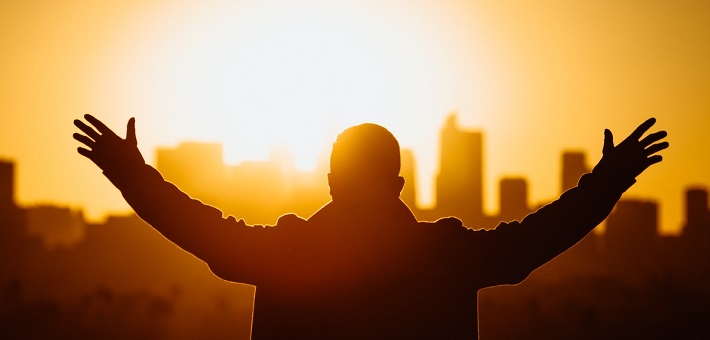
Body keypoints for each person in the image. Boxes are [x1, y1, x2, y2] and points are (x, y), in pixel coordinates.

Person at [73, 115, 668, 339]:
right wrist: (608, 182)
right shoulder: (446, 255)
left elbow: (197, 226)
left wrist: (131, 175)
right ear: (399, 186)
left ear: (331, 184)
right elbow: (539, 237)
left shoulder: (289, 252)